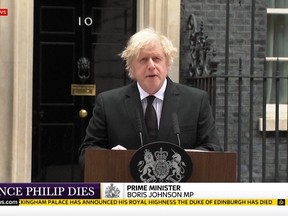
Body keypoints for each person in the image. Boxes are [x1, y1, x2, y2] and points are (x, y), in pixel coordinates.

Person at [78, 28, 222, 169]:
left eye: (157, 59)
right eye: (144, 60)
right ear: (131, 68)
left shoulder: (196, 101)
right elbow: (86, 153)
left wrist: (192, 157)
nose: (151, 66)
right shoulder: (108, 103)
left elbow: (214, 150)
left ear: (167, 64)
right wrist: (111, 157)